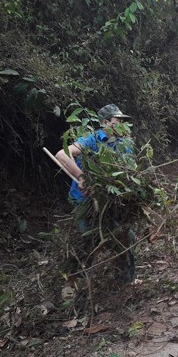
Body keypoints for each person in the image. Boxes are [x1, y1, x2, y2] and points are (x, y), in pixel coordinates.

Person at [55, 104, 137, 282]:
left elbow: (129, 173)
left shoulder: (125, 145)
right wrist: (81, 176)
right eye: (118, 121)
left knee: (125, 236)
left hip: (109, 201)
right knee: (87, 240)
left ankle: (125, 281)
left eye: (123, 121)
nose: (122, 125)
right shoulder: (91, 140)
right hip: (84, 200)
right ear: (105, 123)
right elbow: (62, 154)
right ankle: (74, 283)